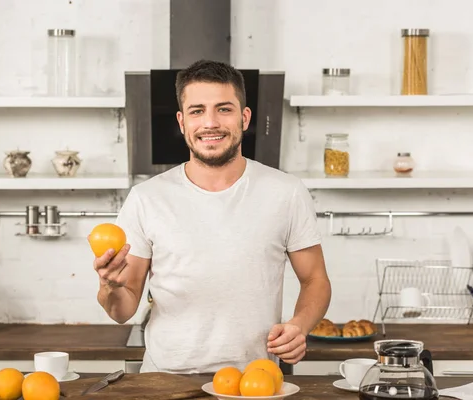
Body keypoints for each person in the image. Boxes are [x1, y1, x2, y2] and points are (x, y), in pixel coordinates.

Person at [93, 59, 331, 374]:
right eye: (197, 111)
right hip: (165, 381)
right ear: (181, 122)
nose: (210, 122)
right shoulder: (146, 198)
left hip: (255, 381)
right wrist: (110, 286)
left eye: (224, 109)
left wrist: (299, 325)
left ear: (244, 117)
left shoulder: (286, 192)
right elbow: (123, 309)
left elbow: (315, 279)